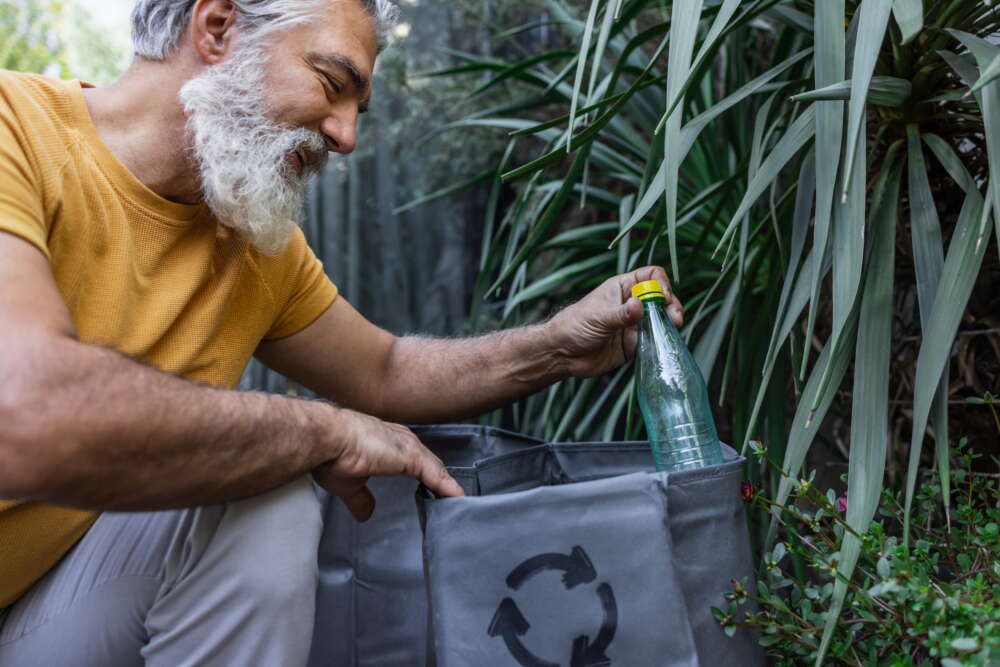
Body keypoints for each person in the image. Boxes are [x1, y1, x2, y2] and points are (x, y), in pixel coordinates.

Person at [0, 0, 684, 664]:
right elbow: (27, 412)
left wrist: (560, 344)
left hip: (44, 611)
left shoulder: (257, 245)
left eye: (357, 107)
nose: (345, 136)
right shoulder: (16, 131)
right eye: (332, 84)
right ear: (217, 27)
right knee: (280, 453)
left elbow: (383, 371)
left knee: (262, 491)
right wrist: (320, 429)